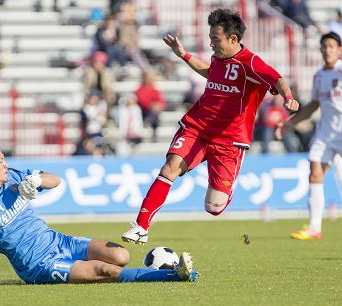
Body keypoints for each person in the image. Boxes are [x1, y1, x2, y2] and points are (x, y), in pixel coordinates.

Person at [121, 8, 299, 245]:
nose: (212, 44)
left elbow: (276, 78)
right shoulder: (218, 59)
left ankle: (226, 184)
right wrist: (183, 55)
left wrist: (288, 96)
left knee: (214, 207)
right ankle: (141, 227)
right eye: (210, 39)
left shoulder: (251, 63)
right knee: (170, 168)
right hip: (198, 129)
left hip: (229, 142)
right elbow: (210, 71)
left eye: (216, 39)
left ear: (233, 39)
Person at [0, 140, 198, 288]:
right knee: (105, 271)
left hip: (59, 241)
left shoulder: (13, 176)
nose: (5, 163)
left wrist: (35, 180)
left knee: (121, 255)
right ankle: (174, 275)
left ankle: (95, 268)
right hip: (38, 265)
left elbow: (55, 180)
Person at [275, 32, 342, 240]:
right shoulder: (319, 76)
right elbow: (314, 105)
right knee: (315, 174)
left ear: (340, 50)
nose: (327, 50)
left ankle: (315, 227)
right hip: (325, 134)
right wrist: (290, 123)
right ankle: (315, 228)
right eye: (324, 46)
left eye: (332, 46)